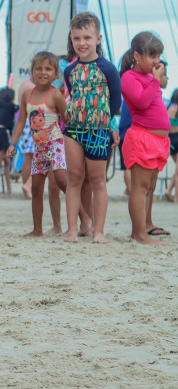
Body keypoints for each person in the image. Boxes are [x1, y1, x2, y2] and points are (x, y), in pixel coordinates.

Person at [62, 13, 121, 244]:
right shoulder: (70, 70)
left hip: (98, 131)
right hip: (73, 131)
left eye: (87, 37)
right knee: (74, 179)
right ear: (71, 39)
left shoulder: (108, 69)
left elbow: (116, 102)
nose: (82, 43)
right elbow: (73, 95)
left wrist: (107, 124)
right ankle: (72, 230)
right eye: (77, 38)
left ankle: (98, 231)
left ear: (98, 38)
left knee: (98, 182)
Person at [8, 52, 68, 237]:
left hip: (56, 145)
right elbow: (20, 121)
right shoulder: (27, 95)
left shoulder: (55, 95)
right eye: (38, 68)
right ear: (32, 72)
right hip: (40, 149)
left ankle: (83, 220)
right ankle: (37, 229)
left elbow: (68, 119)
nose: (43, 72)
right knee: (35, 187)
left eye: (48, 69)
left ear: (56, 74)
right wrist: (13, 143)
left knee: (62, 183)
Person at [121, 32, 170, 246]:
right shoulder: (129, 77)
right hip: (142, 137)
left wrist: (156, 80)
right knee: (139, 188)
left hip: (158, 140)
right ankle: (139, 234)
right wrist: (156, 82)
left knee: (149, 186)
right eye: (152, 56)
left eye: (158, 56)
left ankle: (147, 226)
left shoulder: (151, 77)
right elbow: (141, 103)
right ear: (137, 56)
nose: (156, 61)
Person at [0, 87, 18, 199]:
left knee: (7, 162)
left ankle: (9, 189)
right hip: (1, 133)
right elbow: (18, 108)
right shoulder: (10, 106)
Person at [16, 78, 36, 199]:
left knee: (27, 158)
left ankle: (27, 186)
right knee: (40, 157)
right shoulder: (32, 87)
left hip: (25, 122)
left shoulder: (24, 84)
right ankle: (29, 186)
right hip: (34, 121)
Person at [165, 88, 178, 203]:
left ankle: (168, 190)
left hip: (170, 141)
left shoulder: (168, 108)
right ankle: (176, 199)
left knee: (177, 170)